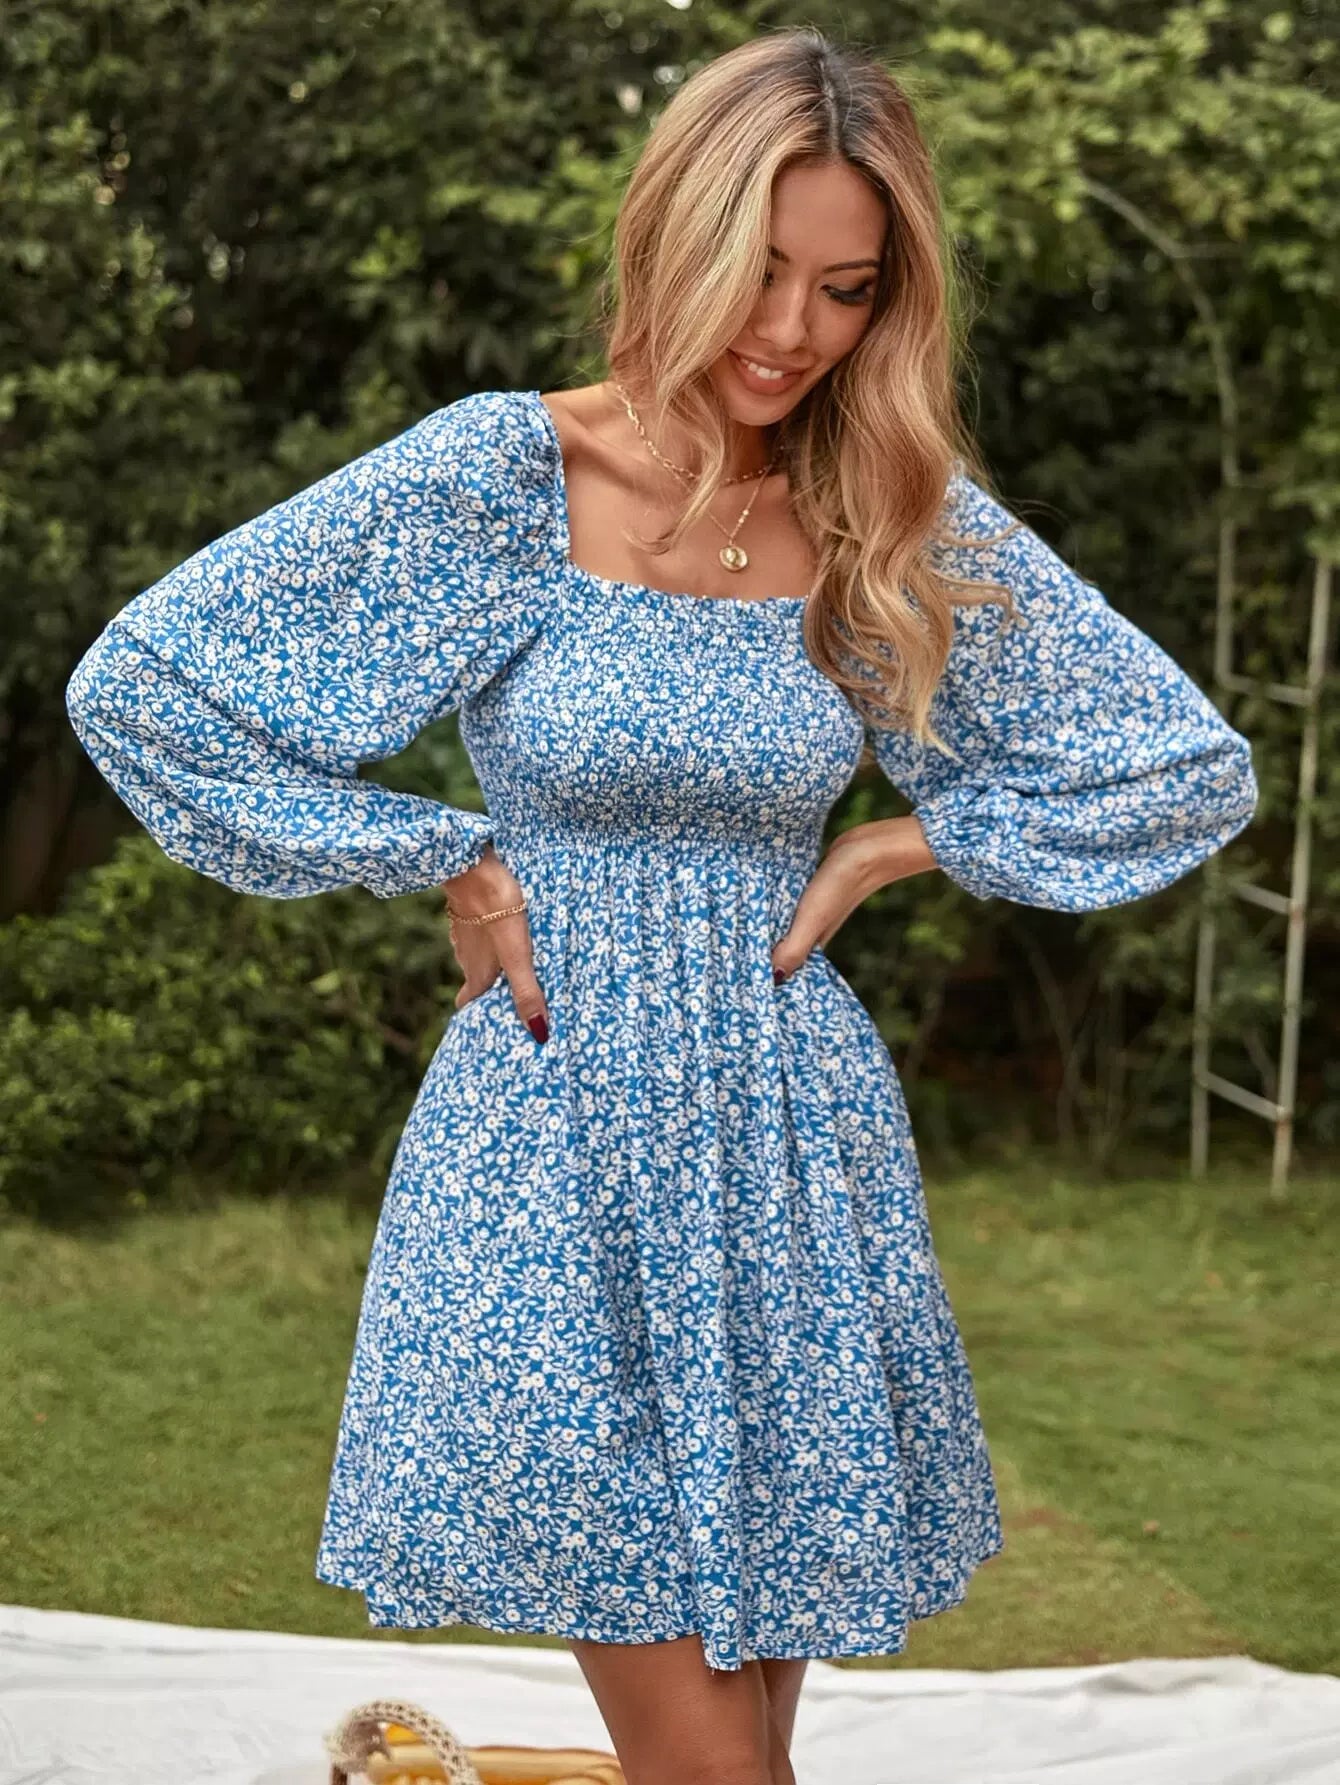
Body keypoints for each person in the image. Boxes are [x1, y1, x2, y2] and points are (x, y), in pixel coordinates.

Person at [64, 27, 1257, 1785]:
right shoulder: (505, 476)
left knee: (745, 1742)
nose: (791, 330)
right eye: (758, 270)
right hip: (558, 1145)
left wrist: (887, 848)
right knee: (717, 1765)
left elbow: (1179, 766)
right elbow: (147, 689)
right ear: (673, 238)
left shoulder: (884, 510)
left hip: (786, 1150)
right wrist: (445, 855)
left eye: (845, 289)